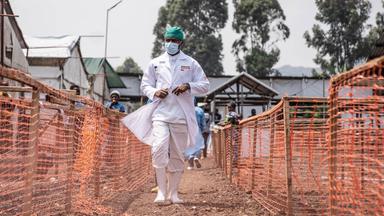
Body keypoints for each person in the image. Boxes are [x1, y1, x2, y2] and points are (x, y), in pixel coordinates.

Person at [122, 26, 209, 204]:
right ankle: (161, 192)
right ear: (164, 41)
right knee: (158, 149)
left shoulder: (190, 63)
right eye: (168, 40)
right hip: (160, 114)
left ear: (181, 43)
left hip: (181, 116)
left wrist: (188, 86)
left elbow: (205, 85)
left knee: (177, 154)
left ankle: (174, 193)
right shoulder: (155, 62)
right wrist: (155, 92)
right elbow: (145, 85)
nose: (170, 43)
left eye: (174, 41)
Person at [184, 101, 205, 170]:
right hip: (197, 128)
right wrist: (202, 129)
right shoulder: (200, 110)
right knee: (197, 144)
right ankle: (196, 157)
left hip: (187, 129)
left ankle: (191, 165)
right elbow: (203, 122)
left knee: (189, 145)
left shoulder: (185, 108)